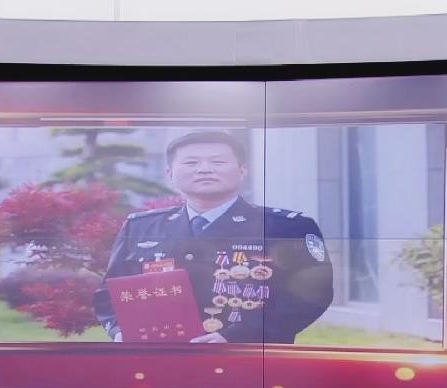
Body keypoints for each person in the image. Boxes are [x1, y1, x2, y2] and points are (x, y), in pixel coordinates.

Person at [94, 130, 333, 344]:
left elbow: (312, 295)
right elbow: (108, 294)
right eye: (191, 162)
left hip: (248, 358)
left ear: (242, 170)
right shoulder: (141, 227)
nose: (204, 169)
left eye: (218, 161)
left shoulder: (286, 227)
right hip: (159, 357)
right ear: (170, 173)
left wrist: (237, 335)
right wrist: (119, 330)